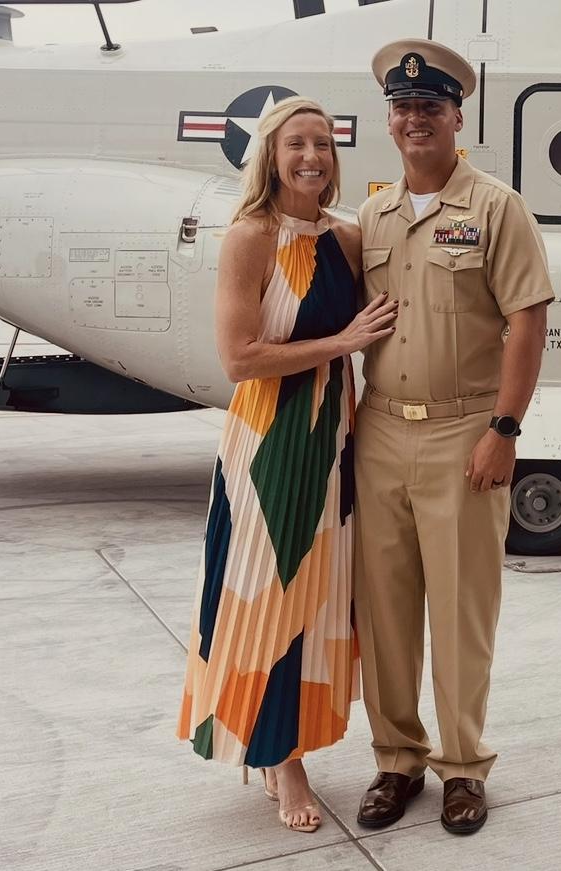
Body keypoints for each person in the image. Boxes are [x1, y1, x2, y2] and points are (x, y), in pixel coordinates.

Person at [176, 96, 397, 834]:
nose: (312, 156)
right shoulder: (250, 235)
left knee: (317, 598)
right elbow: (239, 358)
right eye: (296, 143)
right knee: (268, 595)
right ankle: (281, 759)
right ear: (270, 155)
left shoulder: (345, 236)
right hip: (269, 441)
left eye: (323, 144)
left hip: (333, 437)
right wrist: (343, 343)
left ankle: (283, 745)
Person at [354, 39, 554, 835]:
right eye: (402, 107)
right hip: (378, 432)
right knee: (385, 612)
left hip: (464, 432)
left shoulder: (496, 208)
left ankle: (463, 765)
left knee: (462, 610)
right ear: (389, 120)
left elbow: (527, 321)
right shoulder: (372, 216)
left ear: (456, 117)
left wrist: (504, 428)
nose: (414, 119)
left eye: (429, 107)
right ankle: (396, 759)